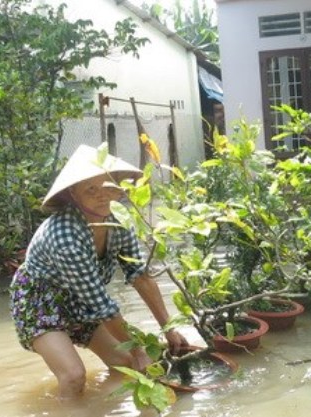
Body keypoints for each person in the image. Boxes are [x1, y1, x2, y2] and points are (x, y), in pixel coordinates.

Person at [10, 144, 188, 399]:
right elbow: (101, 306)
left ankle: (104, 413)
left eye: (107, 186)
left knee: (124, 362)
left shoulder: (118, 220)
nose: (101, 196)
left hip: (79, 299)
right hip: (40, 300)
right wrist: (140, 350)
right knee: (73, 376)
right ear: (74, 194)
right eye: (90, 190)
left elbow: (140, 275)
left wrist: (168, 328)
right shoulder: (66, 236)